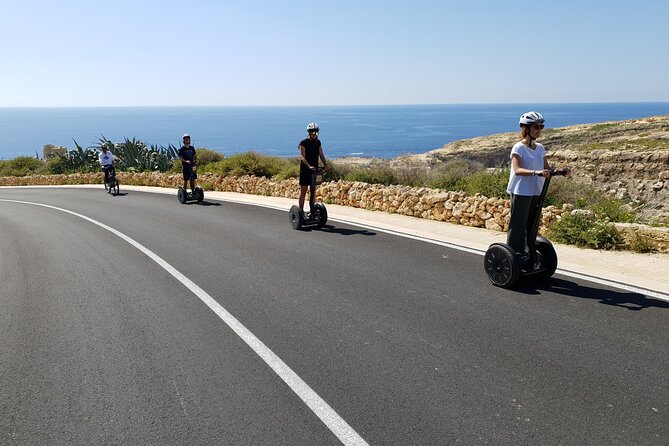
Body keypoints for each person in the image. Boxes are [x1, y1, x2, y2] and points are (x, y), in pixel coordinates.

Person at [506, 111, 552, 268]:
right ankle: (514, 256)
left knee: (532, 226)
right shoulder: (518, 148)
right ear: (526, 129)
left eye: (541, 127)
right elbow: (517, 169)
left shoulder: (540, 148)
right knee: (518, 226)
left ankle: (529, 255)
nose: (539, 130)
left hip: (535, 191)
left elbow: (547, 168)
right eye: (536, 127)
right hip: (521, 191)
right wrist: (536, 172)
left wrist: (561, 171)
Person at [298, 122, 327, 214]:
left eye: (316, 132)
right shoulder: (303, 143)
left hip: (314, 171)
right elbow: (302, 156)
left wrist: (325, 164)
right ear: (309, 133)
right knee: (303, 191)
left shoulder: (318, 142)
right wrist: (308, 166)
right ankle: (301, 211)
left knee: (313, 191)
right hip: (305, 170)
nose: (314, 134)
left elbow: (321, 154)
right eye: (312, 132)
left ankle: (312, 211)